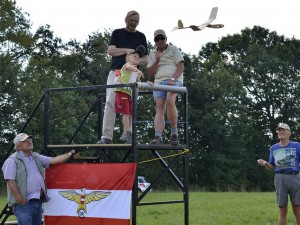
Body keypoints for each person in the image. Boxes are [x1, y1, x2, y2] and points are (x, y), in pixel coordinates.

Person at [1, 133, 80, 225]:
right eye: (25, 141)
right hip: (24, 204)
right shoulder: (12, 160)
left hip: (37, 201)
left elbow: (54, 160)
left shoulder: (36, 156)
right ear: (18, 146)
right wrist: (20, 199)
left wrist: (71, 153)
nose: (29, 142)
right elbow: (10, 181)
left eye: (30, 140)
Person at [97, 10, 148, 144]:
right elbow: (110, 50)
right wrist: (127, 51)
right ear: (126, 20)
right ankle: (106, 137)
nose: (133, 23)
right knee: (110, 102)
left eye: (136, 21)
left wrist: (136, 61)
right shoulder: (117, 33)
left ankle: (129, 136)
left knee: (131, 105)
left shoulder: (141, 36)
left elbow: (146, 57)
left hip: (133, 75)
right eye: (131, 20)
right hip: (117, 73)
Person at [147, 29, 184, 145]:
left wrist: (173, 79)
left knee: (170, 100)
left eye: (162, 38)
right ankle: (157, 136)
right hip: (158, 82)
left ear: (166, 38)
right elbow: (150, 73)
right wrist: (157, 60)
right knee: (159, 108)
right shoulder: (152, 54)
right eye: (157, 39)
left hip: (174, 80)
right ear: (154, 41)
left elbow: (181, 66)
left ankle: (174, 134)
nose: (160, 41)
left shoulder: (173, 49)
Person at [257, 123, 300, 225]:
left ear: (289, 133)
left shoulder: (297, 145)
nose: (281, 132)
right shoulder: (273, 148)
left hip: (295, 177)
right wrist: (266, 163)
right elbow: (273, 167)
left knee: (298, 210)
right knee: (282, 210)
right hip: (279, 178)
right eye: (279, 130)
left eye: (284, 130)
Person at [115, 49, 144, 144]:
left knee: (130, 113)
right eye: (134, 56)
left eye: (138, 57)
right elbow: (128, 67)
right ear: (127, 58)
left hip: (129, 93)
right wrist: (137, 70)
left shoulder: (135, 70)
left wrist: (146, 84)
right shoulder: (127, 66)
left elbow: (138, 81)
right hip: (122, 91)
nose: (137, 58)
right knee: (126, 113)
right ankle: (126, 132)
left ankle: (129, 133)